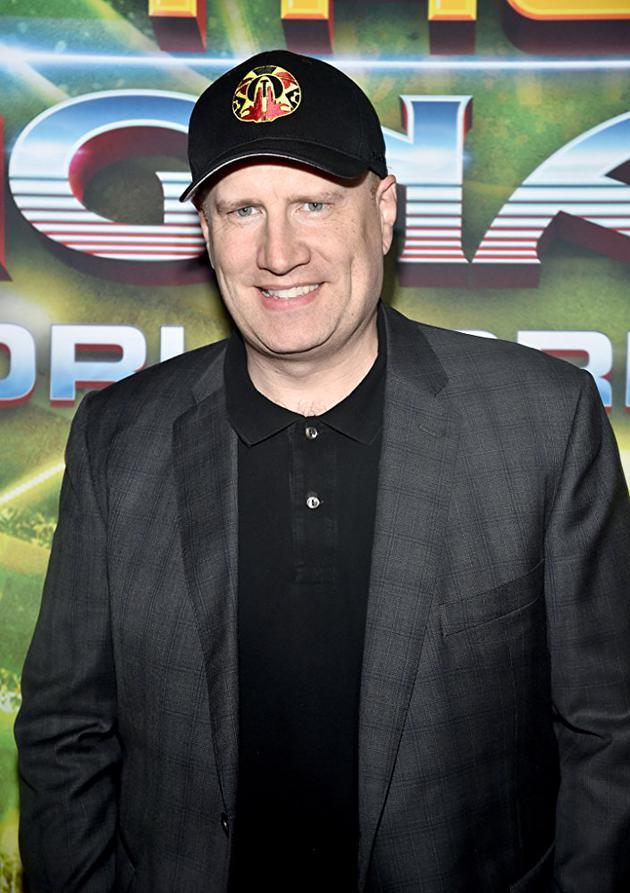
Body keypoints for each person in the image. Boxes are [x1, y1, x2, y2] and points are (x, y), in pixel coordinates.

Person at [14, 49, 630, 893]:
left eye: (313, 202)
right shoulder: (118, 438)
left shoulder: (541, 423)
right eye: (242, 209)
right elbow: (66, 734)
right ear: (206, 232)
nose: (279, 252)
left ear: (384, 210)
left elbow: (609, 731)